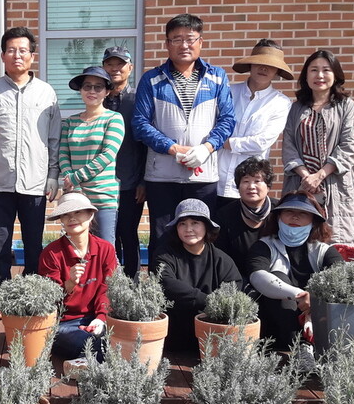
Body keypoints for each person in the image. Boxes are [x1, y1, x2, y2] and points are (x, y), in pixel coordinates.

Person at [132, 14, 235, 253]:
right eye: (176, 39)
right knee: (162, 236)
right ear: (167, 44)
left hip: (203, 177)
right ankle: (161, 288)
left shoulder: (217, 77)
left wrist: (206, 148)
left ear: (201, 41)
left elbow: (228, 119)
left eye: (190, 39)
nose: (184, 45)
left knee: (202, 237)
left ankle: (200, 289)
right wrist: (172, 148)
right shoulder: (152, 79)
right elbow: (140, 123)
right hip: (162, 176)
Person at [0, 27, 61, 284]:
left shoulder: (46, 93)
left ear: (32, 56)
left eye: (23, 50)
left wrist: (53, 175)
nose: (17, 55)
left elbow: (54, 138)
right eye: (11, 50)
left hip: (35, 183)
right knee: (0, 246)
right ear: (2, 55)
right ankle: (0, 293)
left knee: (34, 245)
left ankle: (31, 295)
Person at [282, 49, 354, 250]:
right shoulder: (296, 108)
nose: (319, 75)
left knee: (337, 243)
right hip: (300, 184)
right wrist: (306, 176)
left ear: (335, 75)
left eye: (326, 70)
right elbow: (289, 145)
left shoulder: (346, 106)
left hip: (334, 185)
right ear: (306, 76)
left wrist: (319, 175)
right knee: (299, 238)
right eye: (314, 70)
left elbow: (349, 146)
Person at [246, 191, 343, 354]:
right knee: (278, 277)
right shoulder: (264, 246)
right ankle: (300, 346)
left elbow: (342, 279)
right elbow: (258, 277)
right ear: (278, 217)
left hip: (315, 325)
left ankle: (307, 346)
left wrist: (313, 297)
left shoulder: (324, 251)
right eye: (289, 212)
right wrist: (299, 294)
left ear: (314, 221)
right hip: (275, 327)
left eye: (303, 213)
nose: (295, 217)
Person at [151, 199, 242, 355]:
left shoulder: (221, 259)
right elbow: (167, 282)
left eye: (195, 223)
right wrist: (208, 301)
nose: (189, 229)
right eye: (182, 224)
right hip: (174, 335)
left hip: (212, 334)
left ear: (206, 227)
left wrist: (214, 308)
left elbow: (234, 286)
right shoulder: (164, 254)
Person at [38, 192, 118, 361]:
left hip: (97, 318)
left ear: (90, 215)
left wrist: (101, 317)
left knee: (122, 343)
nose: (72, 218)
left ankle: (84, 363)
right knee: (93, 345)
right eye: (66, 215)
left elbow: (108, 287)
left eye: (77, 213)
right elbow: (49, 300)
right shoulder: (51, 253)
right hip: (63, 323)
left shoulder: (105, 249)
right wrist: (70, 283)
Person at [216, 39, 293, 209]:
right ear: (250, 65)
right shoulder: (228, 92)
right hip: (216, 176)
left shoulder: (281, 103)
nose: (264, 68)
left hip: (249, 183)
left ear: (277, 71)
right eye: (259, 63)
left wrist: (225, 142)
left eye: (270, 65)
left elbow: (262, 142)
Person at [59, 66, 125, 243]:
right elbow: (63, 154)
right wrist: (71, 180)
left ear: (107, 91)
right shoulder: (70, 121)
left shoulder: (114, 118)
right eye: (87, 86)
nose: (92, 91)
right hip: (75, 197)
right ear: (80, 90)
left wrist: (76, 177)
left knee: (105, 250)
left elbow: (107, 155)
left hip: (103, 197)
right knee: (76, 250)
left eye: (98, 87)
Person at [101, 46, 147, 277]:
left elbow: (146, 144)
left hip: (131, 182)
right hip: (103, 182)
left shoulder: (138, 98)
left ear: (130, 67)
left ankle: (133, 280)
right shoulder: (98, 97)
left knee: (128, 232)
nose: (115, 68)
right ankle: (111, 282)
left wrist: (144, 181)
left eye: (120, 64)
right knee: (107, 234)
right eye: (110, 64)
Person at [215, 157, 278, 279]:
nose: (251, 186)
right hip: (237, 279)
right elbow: (220, 255)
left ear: (268, 186)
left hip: (275, 277)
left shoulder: (279, 211)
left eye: (257, 181)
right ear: (238, 187)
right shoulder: (225, 215)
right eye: (246, 181)